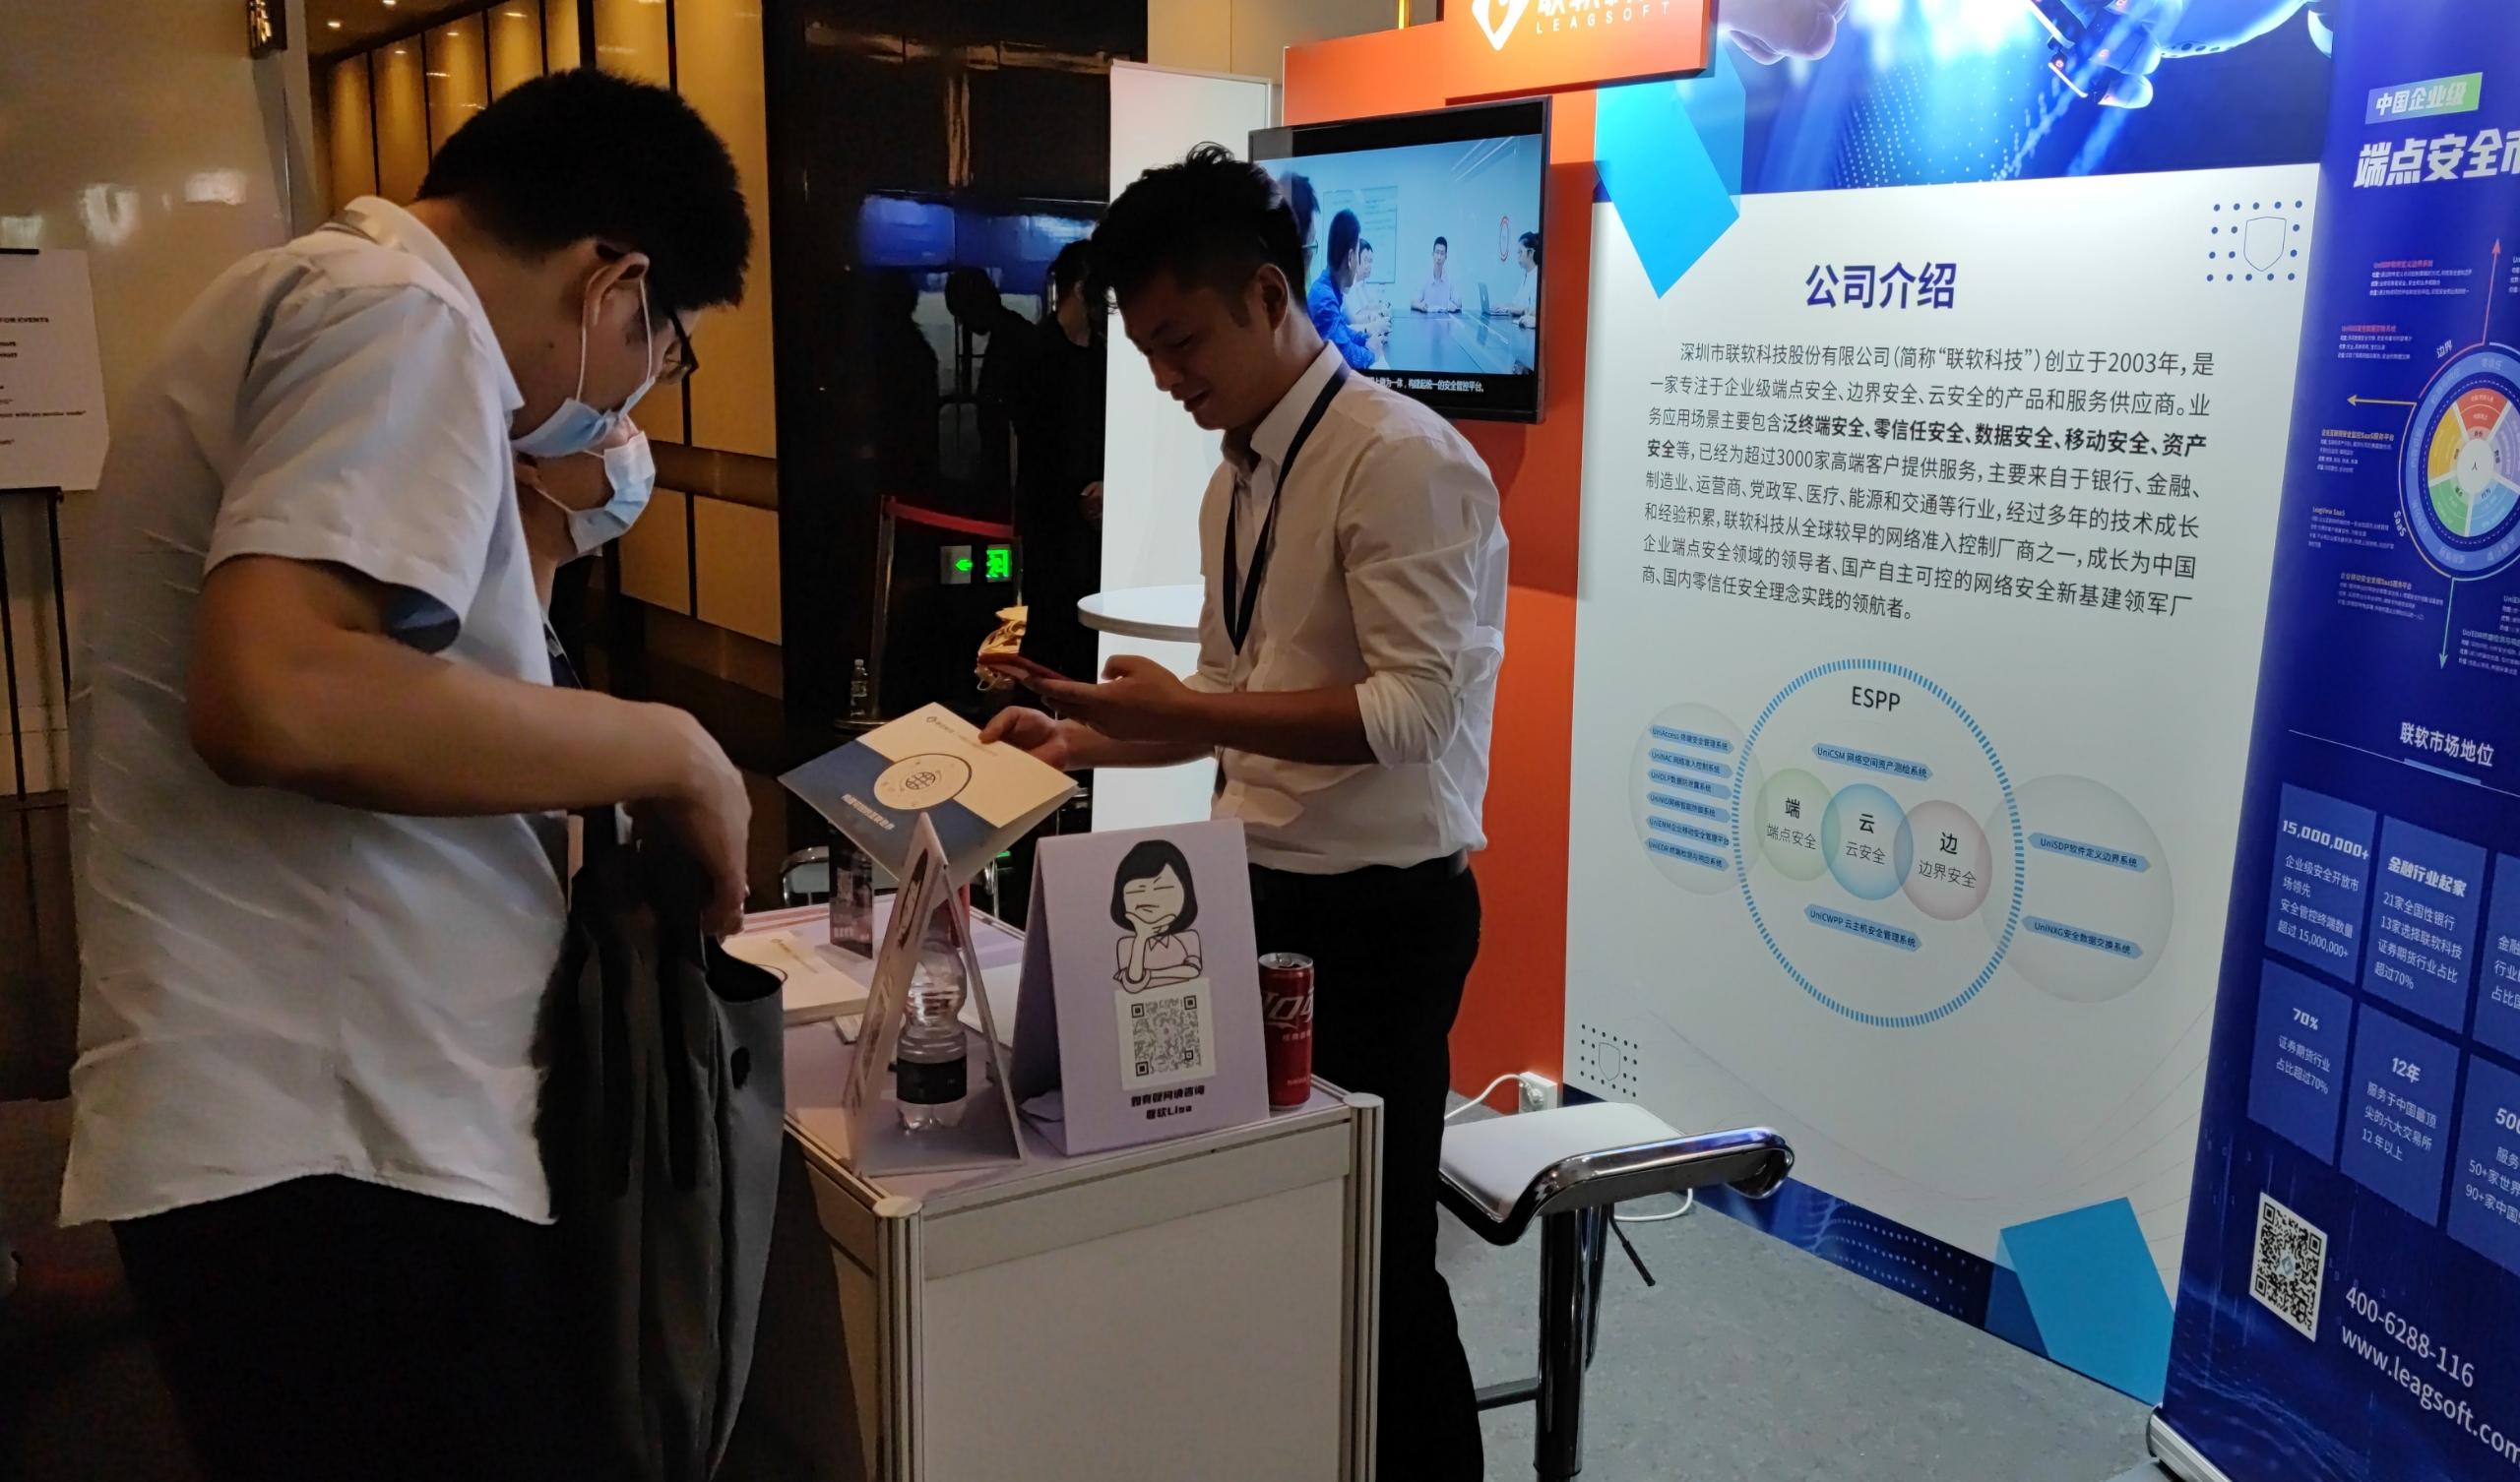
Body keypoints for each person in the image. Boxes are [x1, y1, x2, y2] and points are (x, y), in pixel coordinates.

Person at [61, 69, 754, 1482]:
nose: (635, 394)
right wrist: (674, 747)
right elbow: (280, 693)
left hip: (310, 1123)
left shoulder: (320, 297)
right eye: (661, 348)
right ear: (614, 284)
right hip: (335, 1135)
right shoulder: (405, 315)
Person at [981, 145, 1506, 1482]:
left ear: (1270, 295)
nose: (1166, 377)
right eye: (1147, 351)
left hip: (1381, 917)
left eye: (1182, 341)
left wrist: (1190, 712)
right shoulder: (1239, 480)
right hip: (1250, 892)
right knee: (1263, 1232)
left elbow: (1410, 717)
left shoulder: (1402, 462)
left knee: (1378, 1262)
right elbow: (1229, 700)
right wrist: (1079, 733)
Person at [1009, 239, 1106, 682]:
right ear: (1082, 288)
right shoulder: (1034, 352)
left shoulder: (1104, 355)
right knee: (1048, 630)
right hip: (1051, 516)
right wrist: (1077, 496)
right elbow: (1036, 442)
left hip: (1096, 520)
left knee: (1091, 634)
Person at [946, 266, 1035, 517]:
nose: (963, 322)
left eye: (962, 313)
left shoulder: (1010, 341)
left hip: (1012, 465)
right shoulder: (1013, 333)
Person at [1109, 837, 1205, 993]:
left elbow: (1193, 970)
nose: (1149, 897)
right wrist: (1141, 938)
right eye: (1138, 890)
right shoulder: (1126, 944)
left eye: (1162, 888)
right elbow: (1132, 983)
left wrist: (1150, 975)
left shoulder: (1188, 938)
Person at [1306, 208, 1381, 372]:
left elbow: (1342, 332)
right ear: (1350, 258)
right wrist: (1372, 353)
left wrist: (1365, 339)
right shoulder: (1324, 299)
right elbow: (1345, 355)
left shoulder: (1328, 289)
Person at [1492, 229, 1542, 328]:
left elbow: (1531, 310)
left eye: (1520, 252)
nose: (1518, 256)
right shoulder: (1526, 276)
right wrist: (1503, 306)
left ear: (1530, 253)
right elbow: (1515, 303)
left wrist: (1509, 309)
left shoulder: (1538, 277)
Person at [1414, 234, 1461, 313]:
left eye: (1442, 253)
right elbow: (1413, 302)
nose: (1439, 257)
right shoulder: (1425, 277)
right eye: (1437, 252)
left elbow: (1459, 303)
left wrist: (1454, 305)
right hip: (1427, 319)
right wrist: (1420, 306)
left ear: (1446, 257)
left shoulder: (1450, 279)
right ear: (1433, 254)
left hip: (1445, 319)